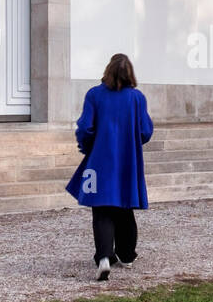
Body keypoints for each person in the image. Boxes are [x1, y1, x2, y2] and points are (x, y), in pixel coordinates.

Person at [66, 53, 155, 281]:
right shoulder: (137, 98)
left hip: (98, 161)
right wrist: (132, 142)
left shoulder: (94, 95)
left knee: (101, 208)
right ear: (130, 73)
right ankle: (126, 254)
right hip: (128, 160)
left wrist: (86, 147)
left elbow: (85, 127)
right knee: (126, 206)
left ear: (107, 70)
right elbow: (145, 131)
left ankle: (104, 257)